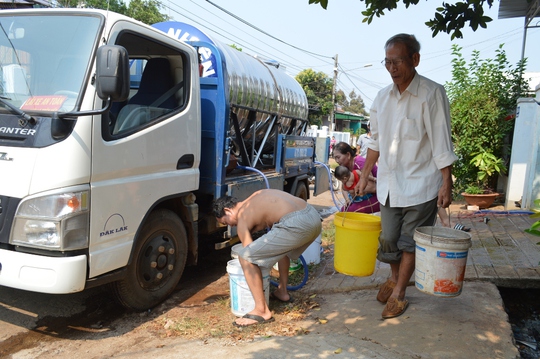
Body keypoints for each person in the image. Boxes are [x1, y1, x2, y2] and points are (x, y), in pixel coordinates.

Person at [357, 34, 457, 319]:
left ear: (415, 59)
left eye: (397, 61)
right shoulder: (381, 98)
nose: (392, 67)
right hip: (390, 184)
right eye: (387, 62)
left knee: (409, 241)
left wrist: (446, 182)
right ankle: (394, 276)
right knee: (388, 238)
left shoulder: (431, 93)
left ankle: (400, 292)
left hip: (422, 183)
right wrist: (364, 175)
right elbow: (375, 142)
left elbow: (441, 142)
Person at [212, 189, 321, 327]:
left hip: (296, 223)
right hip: (313, 216)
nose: (229, 226)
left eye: (225, 222)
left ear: (228, 211)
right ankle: (282, 292)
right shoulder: (255, 196)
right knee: (281, 248)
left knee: (245, 257)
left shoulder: (242, 219)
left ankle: (261, 310)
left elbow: (251, 256)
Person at [333, 141, 380, 213]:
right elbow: (344, 187)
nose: (336, 161)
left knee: (348, 212)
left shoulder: (359, 164)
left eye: (338, 157)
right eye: (335, 158)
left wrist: (354, 190)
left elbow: (373, 188)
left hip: (379, 196)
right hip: (364, 197)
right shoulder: (346, 167)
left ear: (348, 155)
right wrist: (347, 200)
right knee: (345, 210)